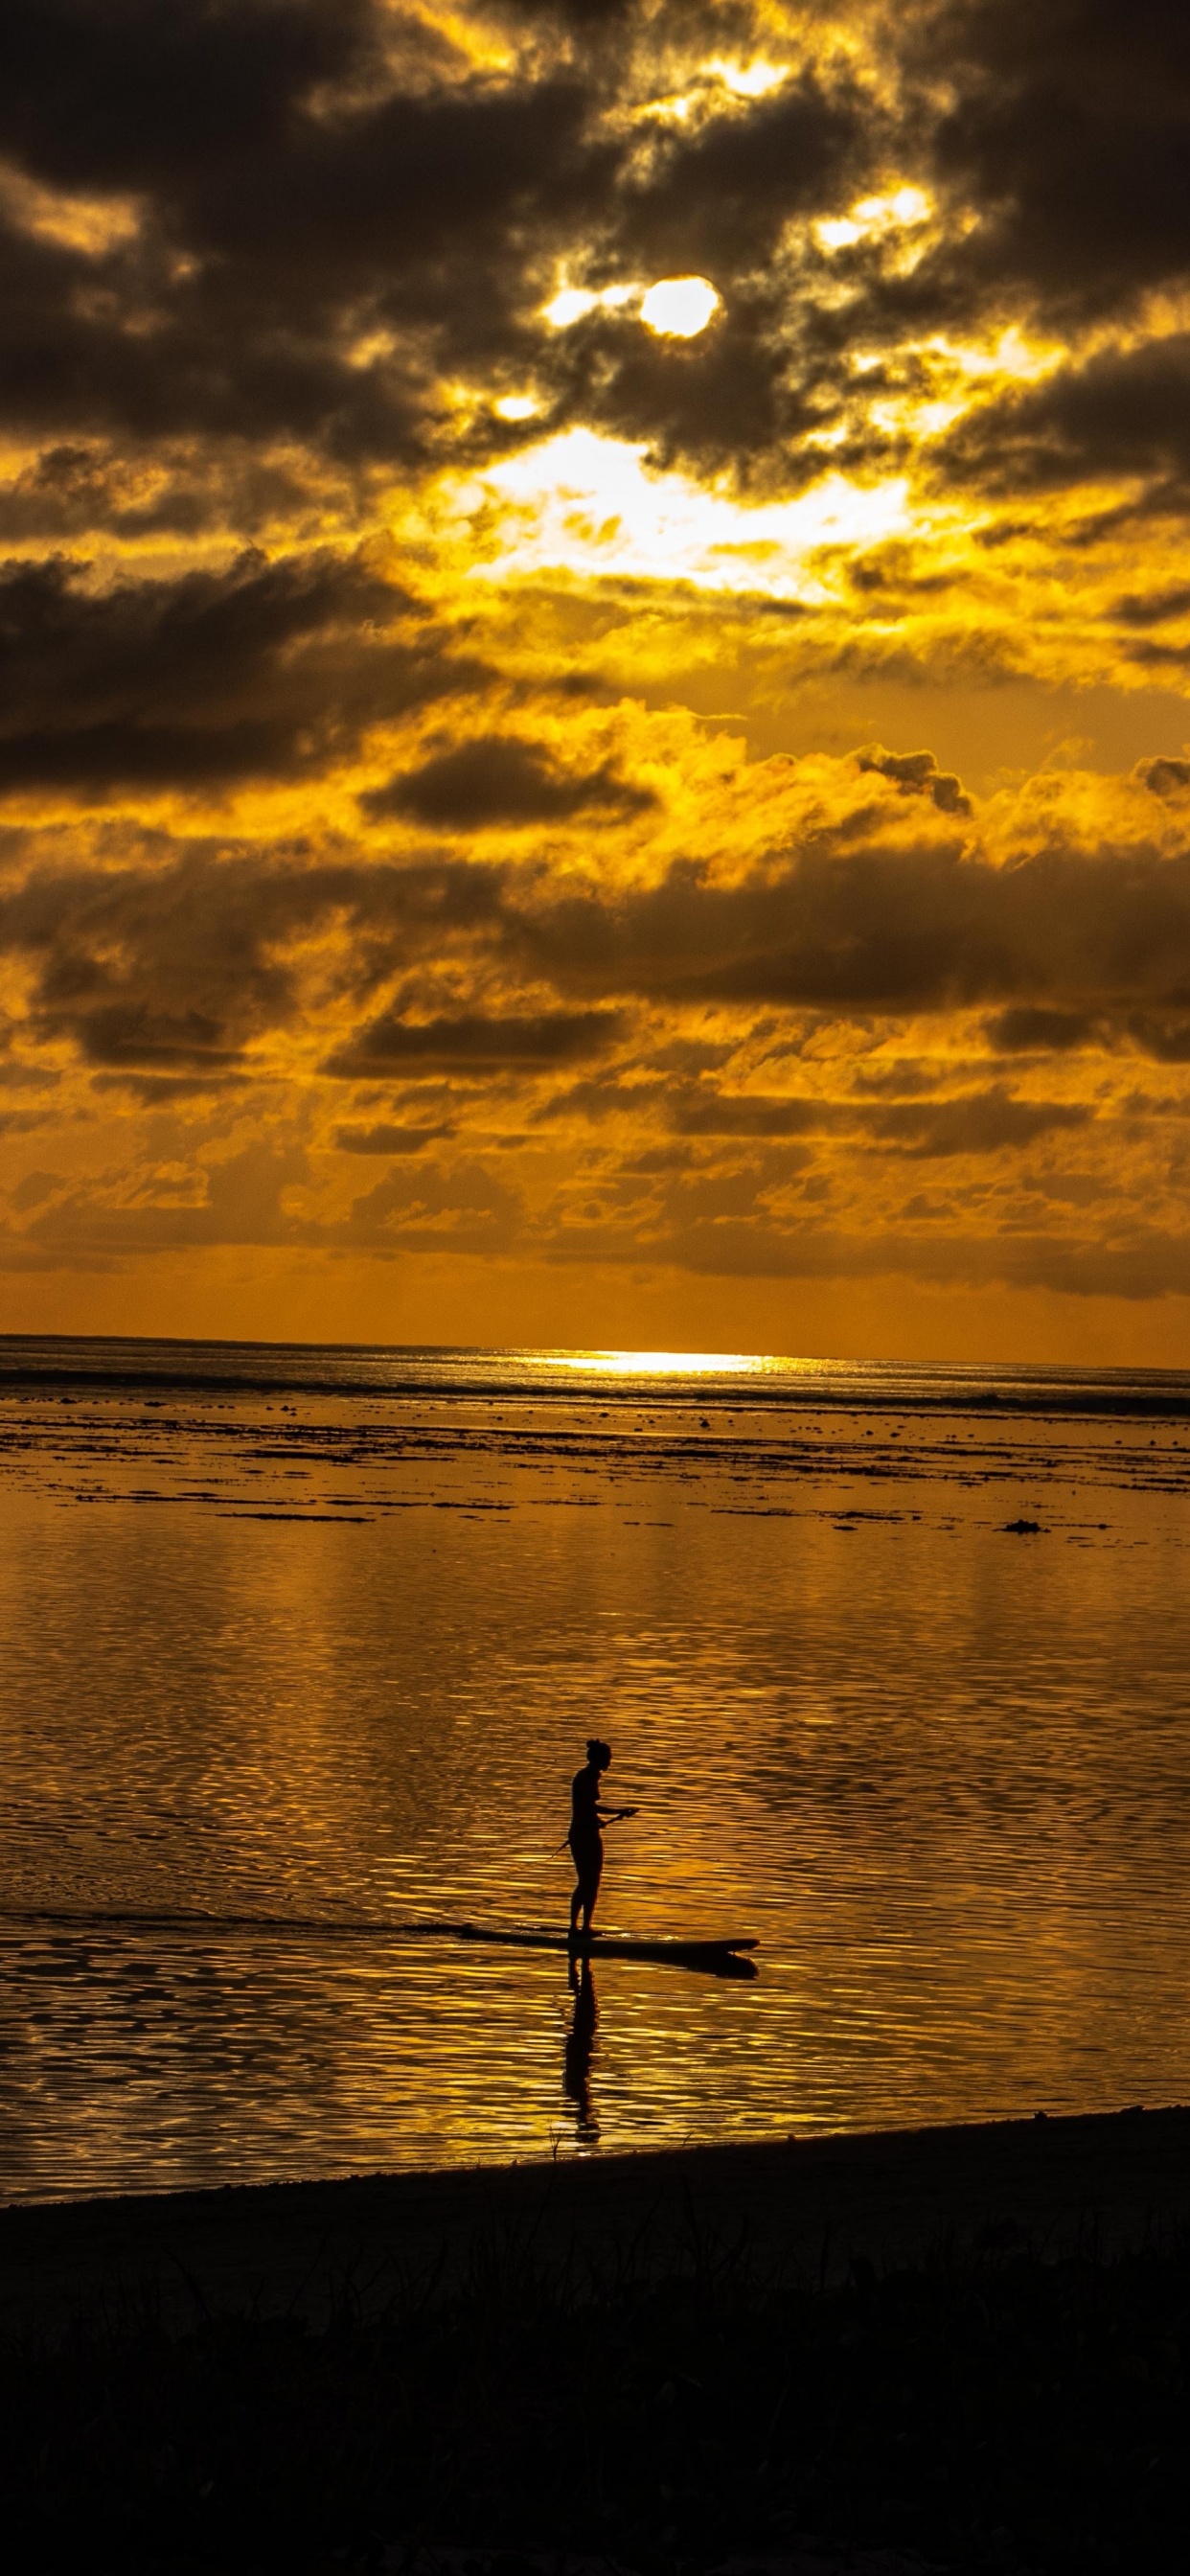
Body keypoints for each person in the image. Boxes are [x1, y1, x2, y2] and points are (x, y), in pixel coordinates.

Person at [567, 1737, 633, 1939]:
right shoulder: (584, 1777)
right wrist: (618, 1811)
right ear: (598, 1759)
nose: (610, 1762)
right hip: (581, 1835)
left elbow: (588, 1810)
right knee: (585, 1881)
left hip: (591, 1832)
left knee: (594, 1881)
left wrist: (598, 1821)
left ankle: (586, 1927)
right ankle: (574, 1928)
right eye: (608, 1758)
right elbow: (589, 1807)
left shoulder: (593, 1777)